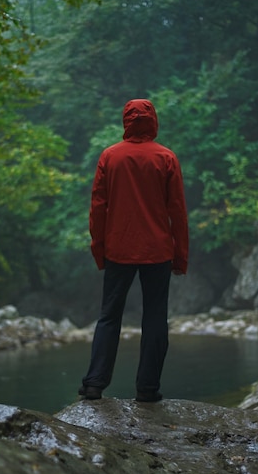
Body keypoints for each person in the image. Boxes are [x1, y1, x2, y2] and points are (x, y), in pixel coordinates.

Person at [79, 98, 188, 402]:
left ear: (126, 121)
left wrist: (98, 250)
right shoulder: (166, 158)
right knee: (155, 317)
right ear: (153, 121)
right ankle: (147, 389)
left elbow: (97, 209)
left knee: (109, 317)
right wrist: (180, 257)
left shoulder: (110, 157)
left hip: (118, 249)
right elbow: (177, 211)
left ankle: (93, 385)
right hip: (158, 251)